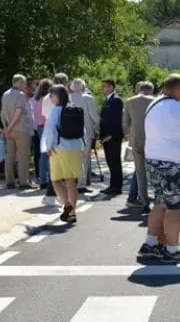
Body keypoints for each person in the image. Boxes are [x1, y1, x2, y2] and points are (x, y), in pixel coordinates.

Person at [139, 74, 180, 264]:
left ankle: (151, 243)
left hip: (153, 160)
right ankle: (171, 249)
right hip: (173, 164)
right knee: (174, 208)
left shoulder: (154, 105)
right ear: (179, 90)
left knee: (160, 203)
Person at [42, 84, 92, 224]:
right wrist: (83, 146)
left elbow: (51, 130)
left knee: (56, 180)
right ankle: (72, 213)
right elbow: (83, 130)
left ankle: (68, 206)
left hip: (59, 148)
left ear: (57, 96)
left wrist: (49, 146)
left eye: (51, 95)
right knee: (71, 182)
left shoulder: (55, 111)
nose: (50, 98)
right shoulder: (75, 109)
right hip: (75, 148)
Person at [123, 81, 155, 213]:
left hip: (136, 140)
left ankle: (144, 201)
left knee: (140, 172)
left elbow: (126, 123)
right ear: (151, 90)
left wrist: (131, 133)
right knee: (155, 171)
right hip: (153, 140)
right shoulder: (156, 101)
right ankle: (159, 199)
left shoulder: (130, 101)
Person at [0, 74, 36, 189]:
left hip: (9, 131)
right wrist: (10, 126)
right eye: (24, 83)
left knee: (10, 156)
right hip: (21, 129)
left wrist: (6, 127)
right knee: (23, 156)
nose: (25, 86)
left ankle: (9, 182)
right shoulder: (20, 95)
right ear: (19, 83)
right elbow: (19, 111)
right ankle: (23, 182)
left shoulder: (5, 94)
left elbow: (2, 113)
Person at [69, 79, 99, 193]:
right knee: (84, 158)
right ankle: (81, 184)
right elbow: (93, 115)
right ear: (83, 87)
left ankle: (71, 183)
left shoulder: (68, 97)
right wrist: (99, 124)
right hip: (85, 130)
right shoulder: (87, 98)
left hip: (70, 132)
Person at [99, 79, 125, 195]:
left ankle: (117, 187)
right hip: (106, 137)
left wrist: (110, 135)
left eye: (104, 86)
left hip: (112, 137)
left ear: (111, 87)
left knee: (115, 162)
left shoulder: (116, 100)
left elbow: (116, 120)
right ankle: (112, 185)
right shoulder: (107, 100)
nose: (102, 89)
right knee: (110, 162)